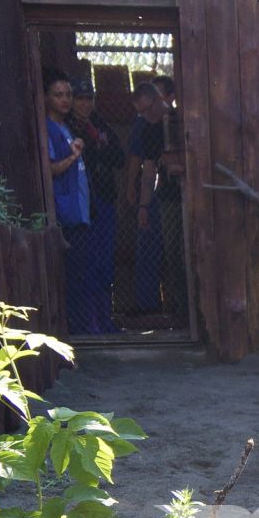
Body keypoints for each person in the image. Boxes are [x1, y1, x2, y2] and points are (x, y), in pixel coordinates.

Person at [129, 79, 187, 324]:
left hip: (193, 196)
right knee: (172, 255)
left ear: (159, 100)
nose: (145, 115)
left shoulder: (181, 119)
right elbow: (149, 170)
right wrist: (143, 205)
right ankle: (181, 313)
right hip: (168, 198)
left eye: (147, 109)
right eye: (140, 112)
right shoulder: (149, 130)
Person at [68, 82, 124, 334]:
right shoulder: (67, 127)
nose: (85, 103)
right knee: (87, 263)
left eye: (88, 98)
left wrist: (101, 146)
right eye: (79, 98)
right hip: (82, 203)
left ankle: (105, 320)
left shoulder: (99, 123)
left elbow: (119, 157)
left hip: (104, 199)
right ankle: (88, 323)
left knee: (104, 262)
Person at [43, 69, 91, 334]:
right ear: (47, 98)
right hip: (65, 212)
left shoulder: (66, 127)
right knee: (69, 274)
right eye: (58, 95)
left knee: (80, 272)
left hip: (78, 210)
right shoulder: (48, 128)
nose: (65, 100)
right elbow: (49, 168)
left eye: (68, 95)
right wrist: (73, 157)